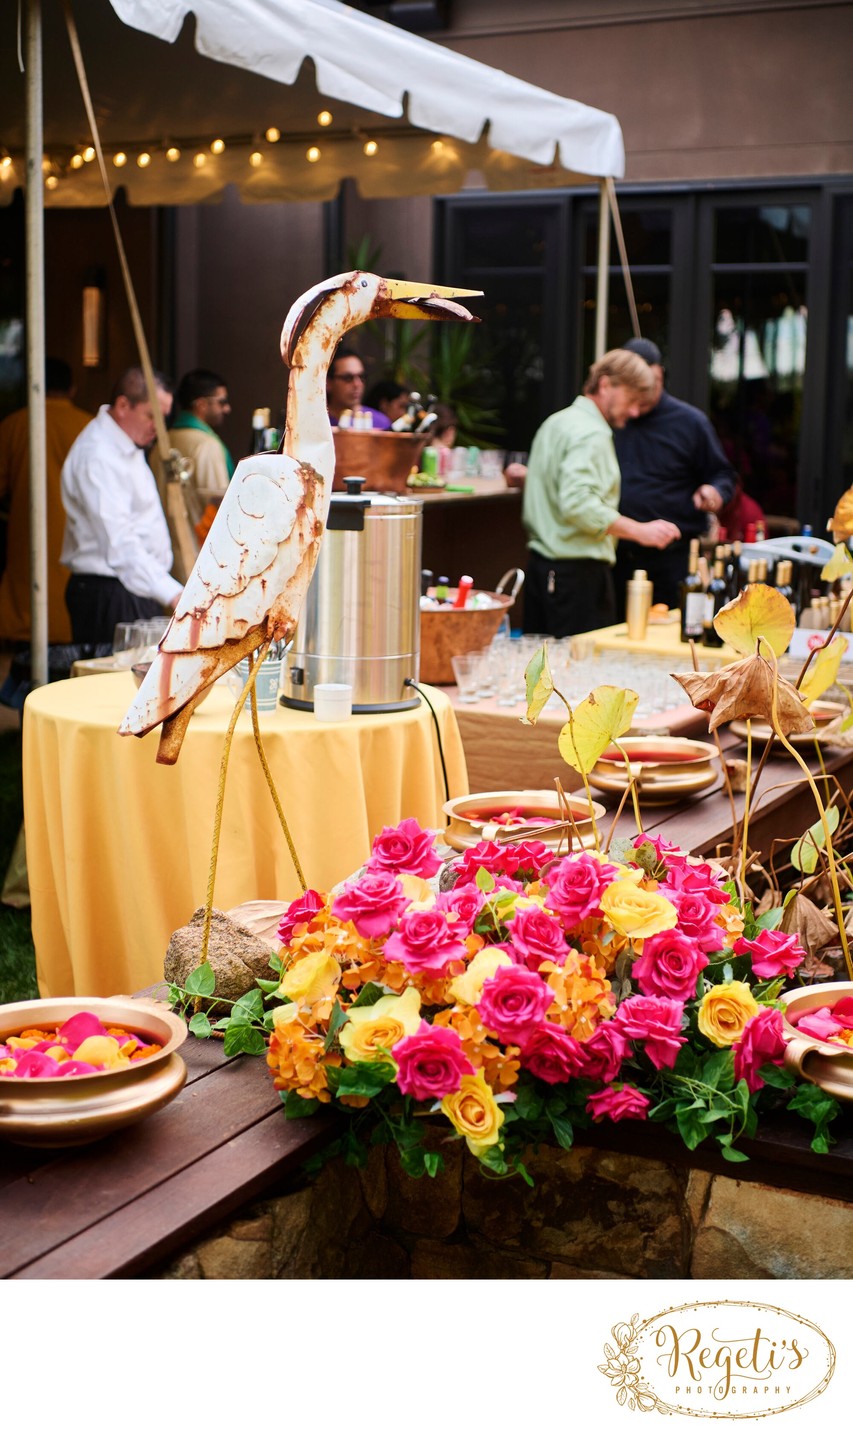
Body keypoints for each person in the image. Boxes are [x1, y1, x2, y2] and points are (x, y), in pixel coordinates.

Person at [522, 349, 681, 637]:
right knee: (581, 679)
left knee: (538, 675)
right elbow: (578, 503)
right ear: (606, 385)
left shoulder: (556, 422)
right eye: (631, 400)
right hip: (576, 579)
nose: (634, 412)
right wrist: (639, 531)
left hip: (542, 572)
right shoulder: (592, 433)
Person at [612, 337, 736, 613]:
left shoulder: (690, 422)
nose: (642, 393)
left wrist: (713, 492)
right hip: (615, 554)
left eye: (650, 383)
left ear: (660, 376)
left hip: (672, 559)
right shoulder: (611, 419)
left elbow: (723, 474)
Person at [60, 367, 182, 645]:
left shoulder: (125, 445)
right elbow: (120, 543)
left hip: (135, 588)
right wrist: (173, 593)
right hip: (110, 593)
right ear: (124, 406)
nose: (157, 428)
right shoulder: (98, 455)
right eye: (152, 416)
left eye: (163, 419)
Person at [0, 358, 91, 645]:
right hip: (79, 541)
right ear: (72, 388)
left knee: (27, 597)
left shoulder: (14, 424)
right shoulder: (88, 428)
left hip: (28, 536)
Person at [152, 368, 234, 502]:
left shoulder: (160, 442)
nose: (227, 409)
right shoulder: (207, 446)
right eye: (222, 402)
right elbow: (220, 506)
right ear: (201, 405)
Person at [326, 347, 390, 429]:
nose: (357, 384)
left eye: (361, 377)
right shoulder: (316, 421)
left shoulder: (380, 423)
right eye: (348, 378)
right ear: (328, 383)